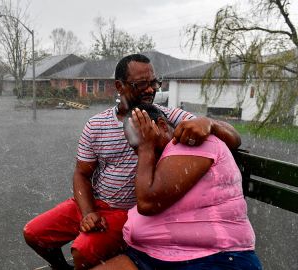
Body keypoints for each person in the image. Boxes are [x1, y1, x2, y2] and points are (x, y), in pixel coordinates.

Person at [23, 54, 242, 270]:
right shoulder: (96, 125)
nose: (151, 89)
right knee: (34, 234)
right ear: (119, 86)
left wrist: (209, 123)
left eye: (154, 82)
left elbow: (233, 138)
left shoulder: (163, 117)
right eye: (142, 84)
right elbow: (82, 173)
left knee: (82, 251)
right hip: (94, 202)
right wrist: (89, 211)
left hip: (127, 213)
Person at [92, 104, 262, 270]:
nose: (139, 151)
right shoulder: (165, 154)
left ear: (162, 125)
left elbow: (148, 202)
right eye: (135, 147)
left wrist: (146, 147)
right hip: (151, 256)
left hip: (211, 257)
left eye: (144, 138)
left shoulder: (190, 142)